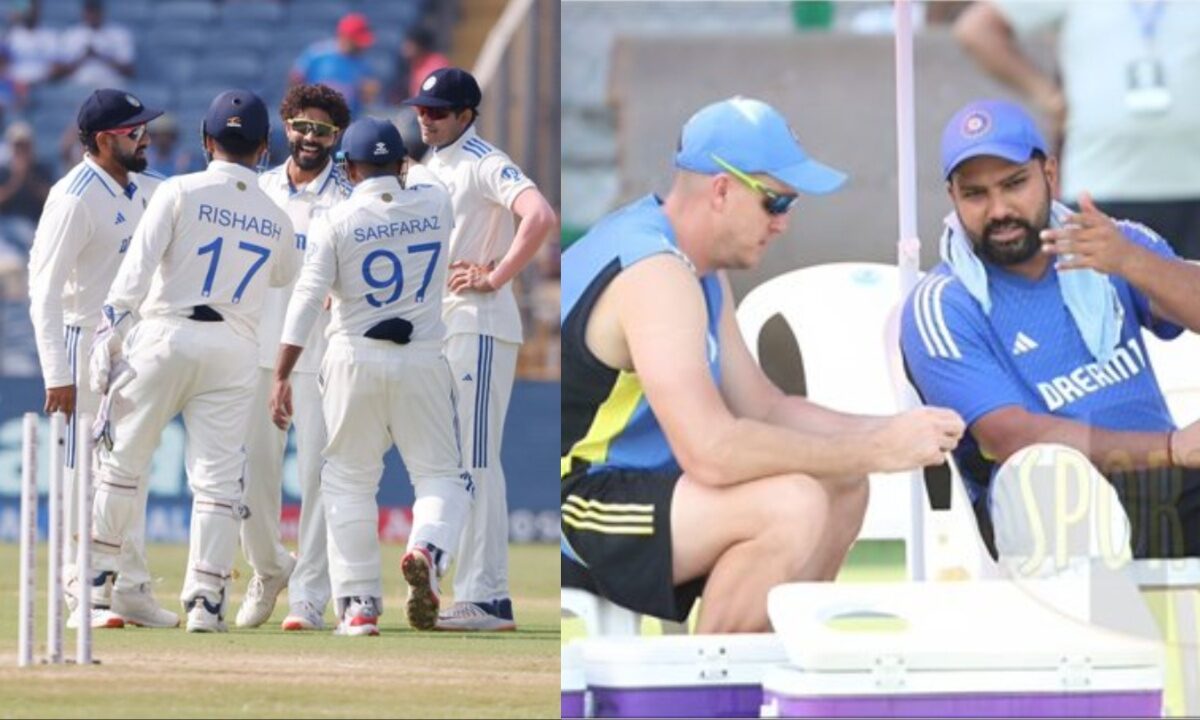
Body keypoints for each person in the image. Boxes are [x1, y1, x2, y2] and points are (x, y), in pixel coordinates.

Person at [561, 97, 964, 633]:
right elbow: (711, 452)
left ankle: (764, 676)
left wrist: (893, 431)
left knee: (843, 484)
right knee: (790, 504)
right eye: (776, 203)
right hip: (578, 499)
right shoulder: (656, 273)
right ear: (722, 190)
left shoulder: (691, 264)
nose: (783, 225)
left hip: (637, 487)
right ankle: (709, 694)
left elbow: (765, 407)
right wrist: (874, 448)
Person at [901, 99, 1200, 566]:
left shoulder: (1111, 242)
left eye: (1014, 183)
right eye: (975, 194)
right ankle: (1101, 639)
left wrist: (1131, 262)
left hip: (1164, 482)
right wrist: (1168, 448)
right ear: (953, 198)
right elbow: (1011, 437)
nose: (999, 209)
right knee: (1051, 480)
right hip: (1048, 510)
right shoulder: (942, 302)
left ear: (1050, 174)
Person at [86, 89, 300, 633]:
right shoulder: (276, 216)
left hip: (164, 333)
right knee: (218, 483)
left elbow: (135, 272)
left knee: (122, 464)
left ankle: (94, 587)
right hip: (233, 347)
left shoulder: (178, 190)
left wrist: (108, 338)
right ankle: (206, 600)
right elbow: (281, 275)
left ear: (207, 141)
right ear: (263, 148)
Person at [269, 117, 471, 634]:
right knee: (442, 478)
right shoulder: (435, 203)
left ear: (349, 167)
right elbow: (424, 177)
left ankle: (358, 607)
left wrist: (282, 373)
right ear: (400, 164)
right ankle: (427, 545)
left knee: (347, 483)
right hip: (423, 357)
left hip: (351, 357)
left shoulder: (335, 219)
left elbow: (308, 300)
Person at [404, 67, 558, 632]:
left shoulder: (484, 160)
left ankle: (473, 586)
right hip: (442, 324)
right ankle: (484, 596)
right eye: (422, 108)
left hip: (480, 322)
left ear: (467, 114)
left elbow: (540, 216)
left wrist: (494, 276)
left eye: (438, 110)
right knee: (466, 460)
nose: (426, 117)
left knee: (472, 457)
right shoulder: (428, 167)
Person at [27, 88, 175, 630]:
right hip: (83, 340)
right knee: (81, 475)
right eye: (135, 130)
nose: (146, 137)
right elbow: (43, 293)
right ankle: (79, 592)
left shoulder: (151, 189)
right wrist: (57, 374)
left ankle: (131, 587)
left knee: (128, 469)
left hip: (138, 346)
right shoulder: (73, 196)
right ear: (104, 139)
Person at [235, 83, 352, 632]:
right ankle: (268, 569)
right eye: (302, 126)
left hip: (322, 357)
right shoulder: (257, 190)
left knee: (318, 480)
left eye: (323, 130)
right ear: (284, 127)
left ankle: (308, 596)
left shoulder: (348, 199)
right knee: (249, 479)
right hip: (256, 352)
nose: (310, 138)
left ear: (338, 137)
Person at [955, 2, 1200, 259]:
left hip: (1192, 182)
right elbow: (976, 29)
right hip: (1099, 182)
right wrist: (1047, 95)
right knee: (1099, 296)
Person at [289, 12, 380, 118]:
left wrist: (368, 94)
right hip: (312, 118)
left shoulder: (363, 65)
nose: (360, 47)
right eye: (356, 41)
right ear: (344, 37)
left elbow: (367, 99)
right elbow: (296, 79)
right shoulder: (317, 54)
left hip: (345, 123)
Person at [53, 0, 135, 88]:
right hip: (79, 85)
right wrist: (84, 56)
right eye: (90, 11)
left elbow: (129, 70)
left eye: (96, 11)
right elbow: (61, 71)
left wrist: (100, 55)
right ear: (84, 12)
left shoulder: (120, 33)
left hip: (111, 84)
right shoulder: (71, 34)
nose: (93, 15)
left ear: (102, 12)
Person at [0, 121, 53, 223]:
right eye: (17, 146)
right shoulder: (3, 171)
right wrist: (16, 180)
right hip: (6, 222)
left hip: (34, 222)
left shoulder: (42, 169)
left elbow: (51, 200)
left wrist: (29, 178)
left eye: (24, 146)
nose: (21, 150)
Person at [392, 26, 450, 103]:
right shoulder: (413, 64)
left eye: (410, 44)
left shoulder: (436, 64)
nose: (405, 47)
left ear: (420, 46)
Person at [145, 114, 204, 178]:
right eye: (157, 135)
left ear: (174, 136)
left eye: (166, 135)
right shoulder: (145, 161)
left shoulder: (187, 161)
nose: (162, 139)